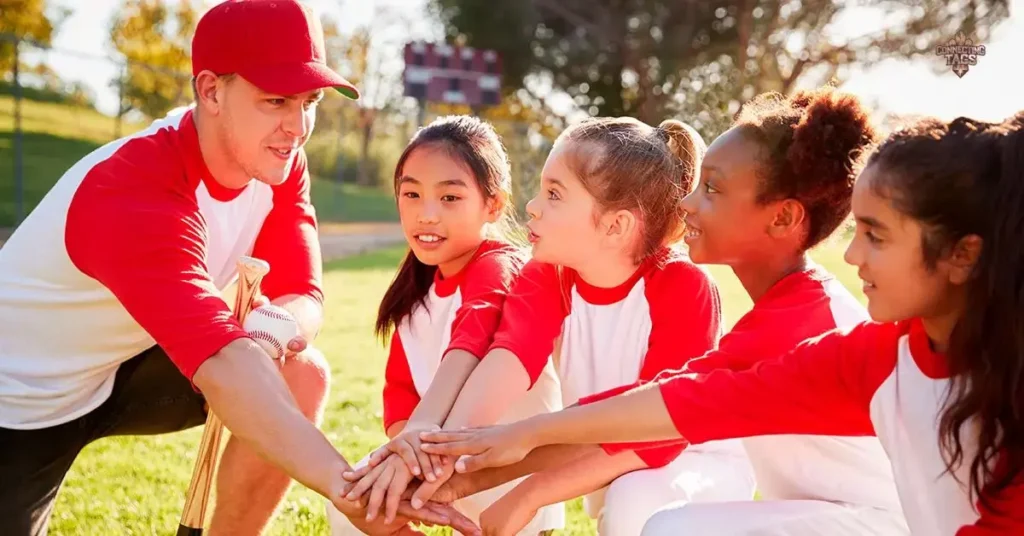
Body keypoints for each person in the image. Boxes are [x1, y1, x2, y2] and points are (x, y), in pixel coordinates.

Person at [419, 111, 1024, 535]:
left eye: (876, 235)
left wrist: (523, 453)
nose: (853, 255)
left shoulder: (808, 318)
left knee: (661, 524)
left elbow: (688, 406)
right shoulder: (871, 352)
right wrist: (509, 449)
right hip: (841, 516)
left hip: (865, 521)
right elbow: (693, 397)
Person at [0, 1, 469, 535]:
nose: (297, 127)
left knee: (301, 371)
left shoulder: (277, 161)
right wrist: (347, 487)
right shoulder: (133, 190)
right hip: (19, 399)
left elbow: (303, 294)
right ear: (211, 91)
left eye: (309, 101)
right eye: (276, 100)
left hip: (124, 368)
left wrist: (275, 331)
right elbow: (221, 363)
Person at [362, 116, 757, 535]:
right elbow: (507, 361)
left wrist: (529, 493)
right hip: (601, 456)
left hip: (692, 463)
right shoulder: (547, 275)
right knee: (625, 500)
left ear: (614, 225)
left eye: (554, 194)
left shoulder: (683, 286)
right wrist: (438, 458)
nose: (532, 206)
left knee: (632, 504)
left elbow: (660, 435)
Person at [325, 116, 564, 535]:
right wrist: (407, 452)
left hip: (507, 477)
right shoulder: (413, 295)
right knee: (351, 501)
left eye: (450, 198)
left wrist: (420, 440)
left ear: (493, 204)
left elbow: (471, 341)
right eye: (411, 194)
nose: (427, 215)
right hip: (439, 466)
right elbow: (399, 396)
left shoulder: (500, 264)